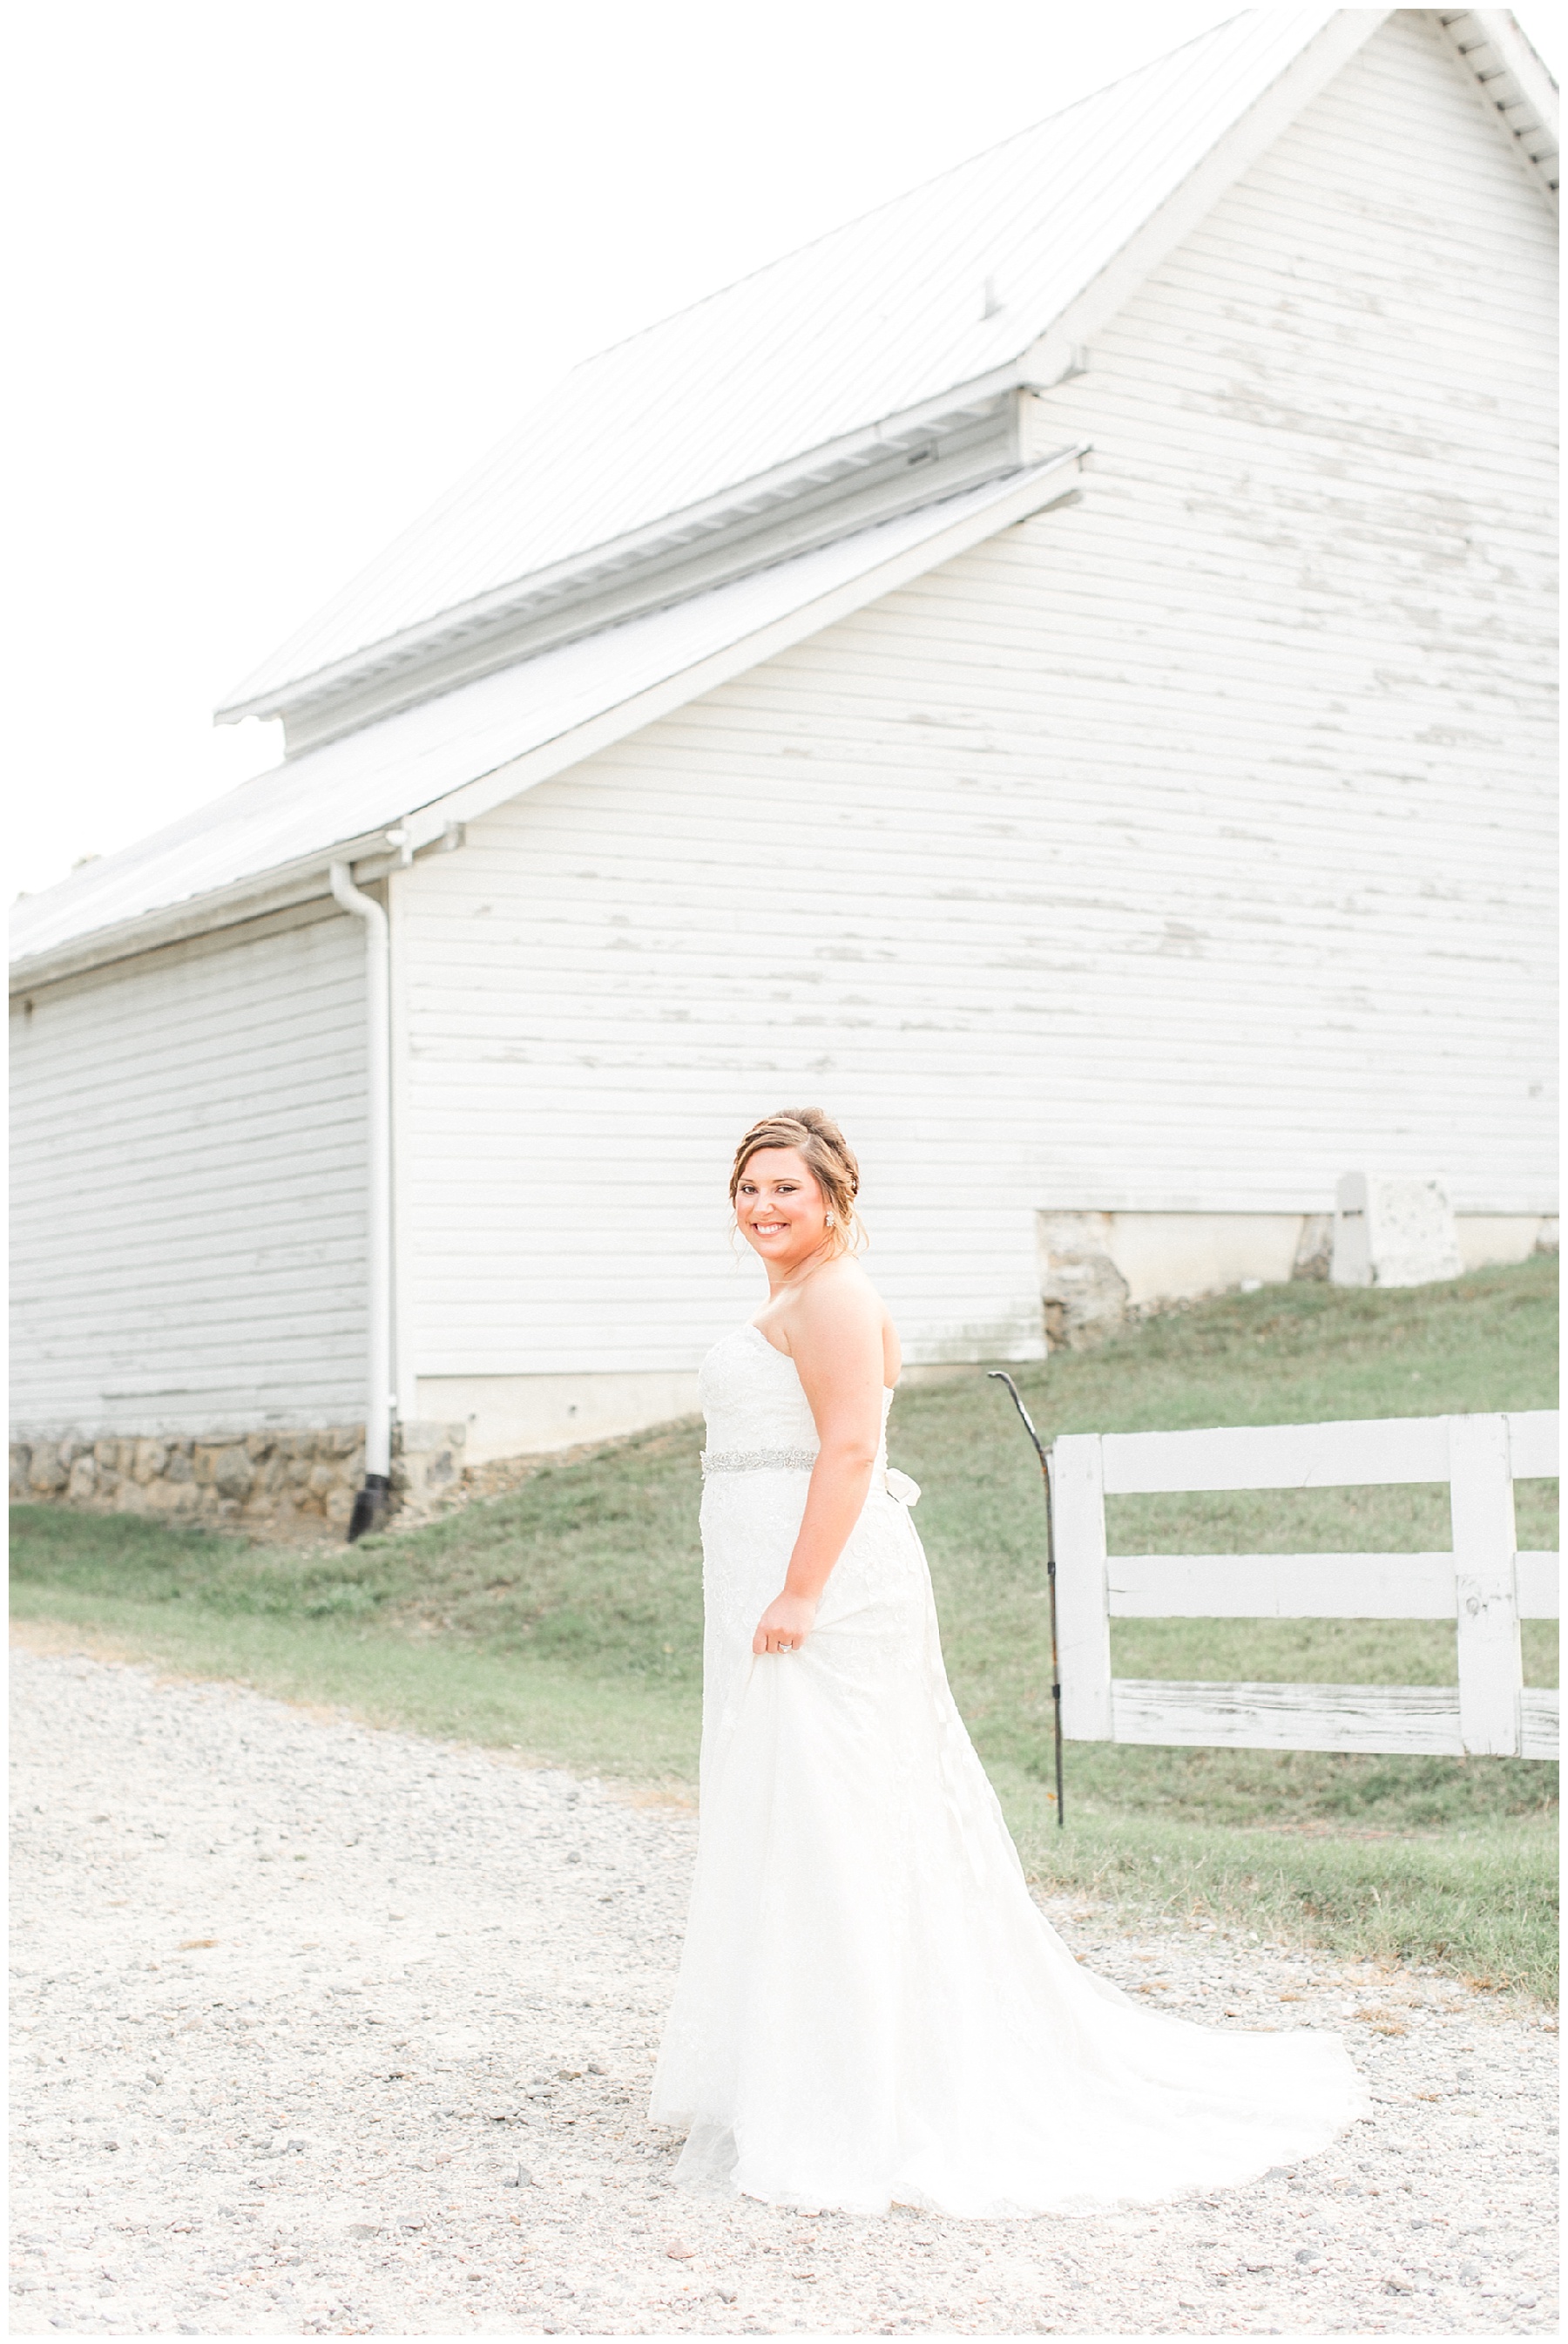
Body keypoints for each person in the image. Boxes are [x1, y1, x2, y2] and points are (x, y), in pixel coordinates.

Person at [651, 1108, 1366, 2216]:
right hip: (777, 1583)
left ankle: (866, 2086)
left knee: (839, 1817)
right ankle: (801, 2061)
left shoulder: (835, 1295)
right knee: (795, 1813)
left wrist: (799, 1588)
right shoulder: (791, 1297)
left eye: (784, 1188)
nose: (761, 1207)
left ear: (834, 1196)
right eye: (747, 1188)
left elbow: (848, 1448)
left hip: (830, 1593)